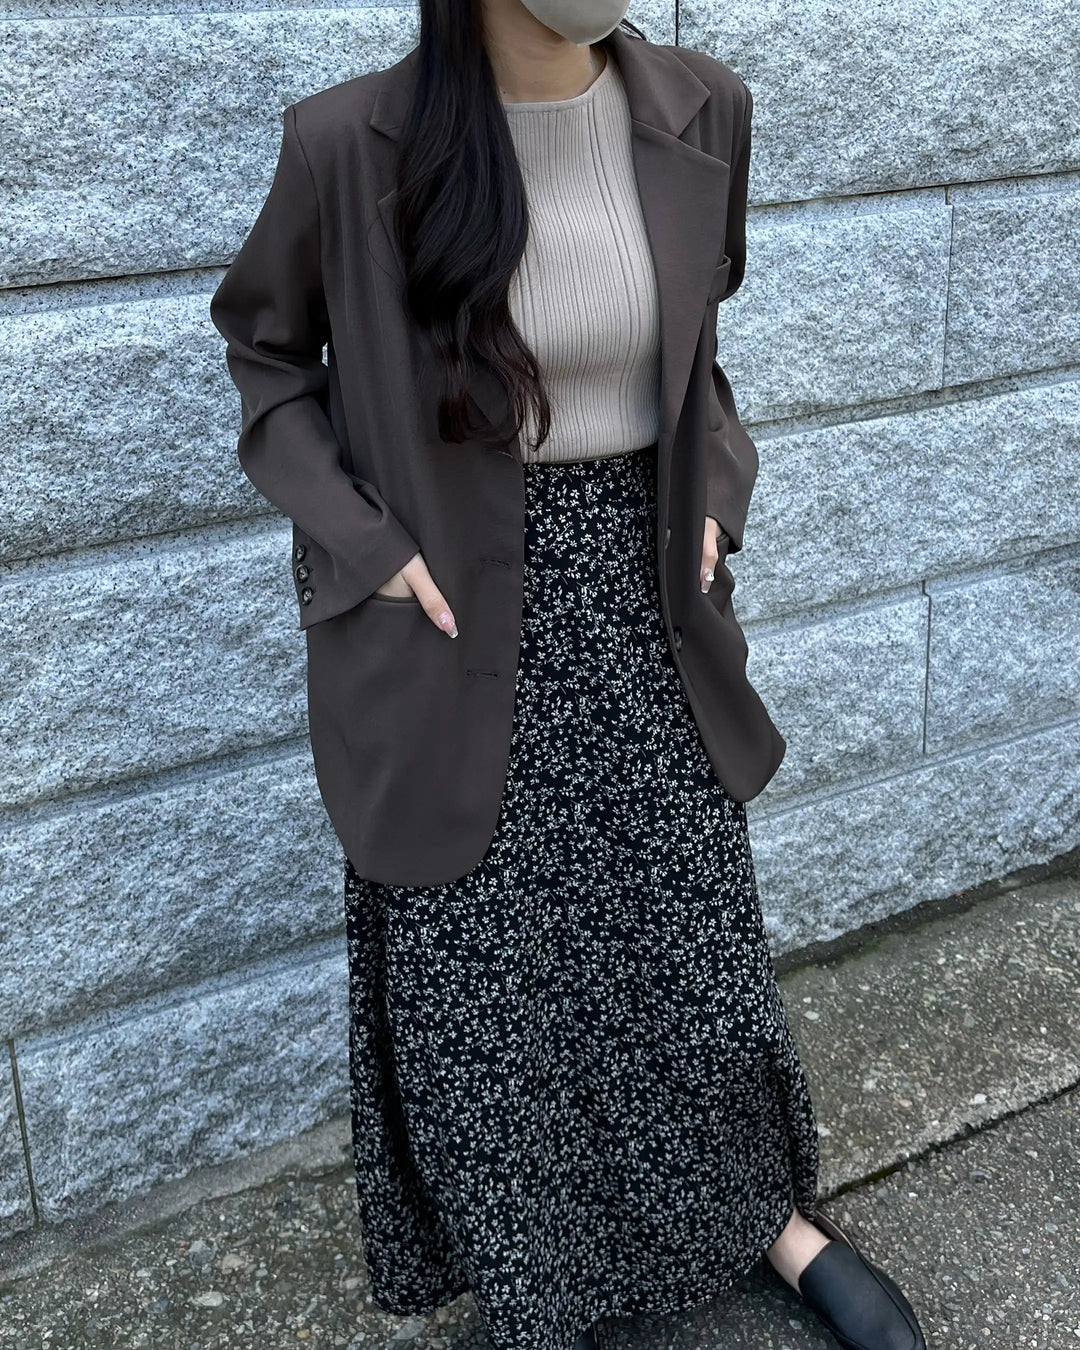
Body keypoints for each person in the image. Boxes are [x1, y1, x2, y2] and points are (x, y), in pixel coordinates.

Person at [209, 2, 929, 1347]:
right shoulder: (346, 146)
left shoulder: (703, 106)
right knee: (491, 980)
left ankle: (764, 1218)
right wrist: (365, 545)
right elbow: (266, 362)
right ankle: (539, 1285)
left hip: (644, 594)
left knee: (688, 938)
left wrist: (714, 493)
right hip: (446, 611)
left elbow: (699, 356)